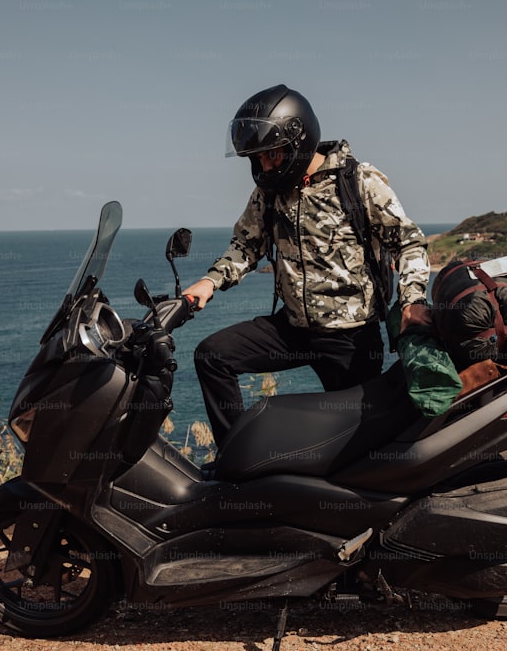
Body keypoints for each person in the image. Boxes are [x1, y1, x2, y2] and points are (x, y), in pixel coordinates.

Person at [183, 84, 431, 447]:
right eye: (259, 158)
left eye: (273, 155)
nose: (265, 166)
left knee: (359, 447)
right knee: (212, 356)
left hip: (350, 337)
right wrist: (208, 283)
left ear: (298, 140)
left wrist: (411, 300)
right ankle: (236, 457)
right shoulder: (269, 192)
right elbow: (247, 245)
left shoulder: (358, 181)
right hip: (293, 327)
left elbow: (408, 242)